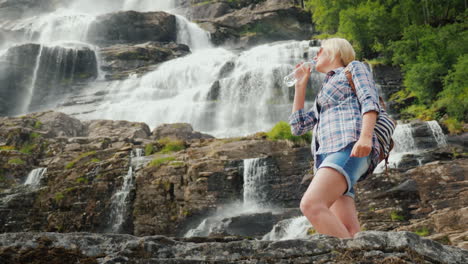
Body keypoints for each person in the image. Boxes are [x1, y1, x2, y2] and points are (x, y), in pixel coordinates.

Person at [288, 38, 381, 239]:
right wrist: (300, 86)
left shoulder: (353, 68)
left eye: (319, 51)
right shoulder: (324, 90)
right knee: (349, 230)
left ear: (334, 52)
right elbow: (298, 126)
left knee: (311, 205)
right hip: (326, 155)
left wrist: (365, 137)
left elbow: (369, 100)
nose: (315, 56)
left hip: (348, 146)